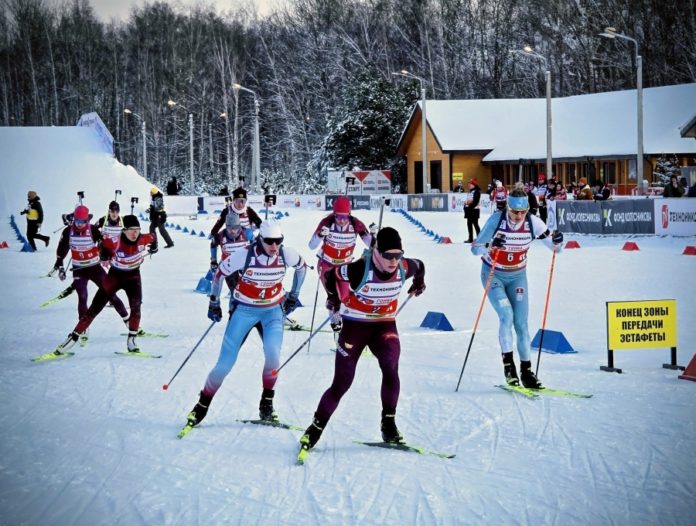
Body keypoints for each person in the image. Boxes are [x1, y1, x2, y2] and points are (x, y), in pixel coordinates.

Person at [298, 227, 426, 454]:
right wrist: (334, 298)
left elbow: (421, 265)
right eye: (388, 255)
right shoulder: (358, 269)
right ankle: (315, 428)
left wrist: (419, 283)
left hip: (384, 325)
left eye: (398, 255)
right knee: (342, 383)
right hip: (355, 326)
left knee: (391, 367)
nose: (393, 261)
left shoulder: (404, 267)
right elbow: (330, 275)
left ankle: (389, 425)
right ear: (376, 251)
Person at [183, 220, 307, 428]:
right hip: (244, 311)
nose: (274, 246)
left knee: (273, 357)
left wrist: (294, 294)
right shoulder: (245, 254)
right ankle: (201, 405)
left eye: (278, 241)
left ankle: (266, 404)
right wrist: (214, 302)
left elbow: (302, 268)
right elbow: (219, 274)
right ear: (260, 239)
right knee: (225, 363)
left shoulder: (287, 254)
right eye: (269, 241)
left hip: (272, 312)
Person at [470, 183, 564, 389]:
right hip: (493, 274)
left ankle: (527, 371)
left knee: (521, 324)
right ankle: (509, 367)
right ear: (508, 208)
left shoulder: (533, 222)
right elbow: (475, 249)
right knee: (506, 315)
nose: (519, 216)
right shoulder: (496, 220)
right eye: (514, 211)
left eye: (523, 212)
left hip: (518, 277)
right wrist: (491, 246)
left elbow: (556, 249)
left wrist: (558, 241)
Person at [51, 215, 158, 356]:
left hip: (133, 277)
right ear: (124, 230)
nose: (135, 234)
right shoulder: (114, 241)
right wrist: (104, 254)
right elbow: (101, 246)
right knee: (95, 308)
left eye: (137, 230)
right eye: (131, 230)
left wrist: (155, 246)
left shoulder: (144, 238)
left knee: (136, 307)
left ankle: (132, 340)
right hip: (115, 277)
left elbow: (153, 236)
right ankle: (73, 337)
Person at [52, 204, 130, 345]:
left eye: (83, 221)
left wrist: (108, 254)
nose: (80, 224)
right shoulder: (68, 231)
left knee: (110, 293)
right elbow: (61, 250)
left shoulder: (92, 229)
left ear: (87, 220)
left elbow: (105, 244)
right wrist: (60, 266)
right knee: (82, 297)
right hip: (79, 269)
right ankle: (83, 329)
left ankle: (129, 322)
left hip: (94, 268)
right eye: (77, 221)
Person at [308, 195, 374, 331]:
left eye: (345, 217)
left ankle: (346, 322)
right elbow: (311, 246)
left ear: (349, 214)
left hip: (345, 266)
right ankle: (335, 321)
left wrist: (374, 236)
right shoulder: (327, 222)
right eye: (338, 217)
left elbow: (371, 245)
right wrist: (320, 235)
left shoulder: (356, 224)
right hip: (326, 264)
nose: (342, 220)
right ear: (334, 214)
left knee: (344, 297)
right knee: (333, 296)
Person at [464, 178, 481, 243]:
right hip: (469, 210)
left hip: (474, 211)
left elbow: (475, 202)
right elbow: (468, 200)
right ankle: (470, 238)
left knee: (475, 224)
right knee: (469, 224)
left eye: (470, 184)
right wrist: (465, 206)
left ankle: (479, 238)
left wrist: (469, 207)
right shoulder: (470, 191)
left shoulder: (476, 191)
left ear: (474, 185)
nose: (469, 185)